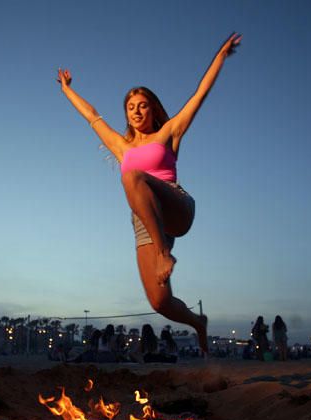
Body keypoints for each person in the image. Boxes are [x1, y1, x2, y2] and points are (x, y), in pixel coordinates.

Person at [57, 33, 243, 357]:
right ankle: (198, 322)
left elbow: (200, 94)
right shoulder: (121, 146)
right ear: (126, 114)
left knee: (132, 174)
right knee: (160, 302)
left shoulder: (168, 133)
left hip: (176, 206)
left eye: (142, 105)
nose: (136, 111)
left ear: (153, 109)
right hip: (145, 220)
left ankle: (163, 254)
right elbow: (91, 116)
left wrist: (221, 56)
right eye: (130, 107)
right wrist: (67, 89)